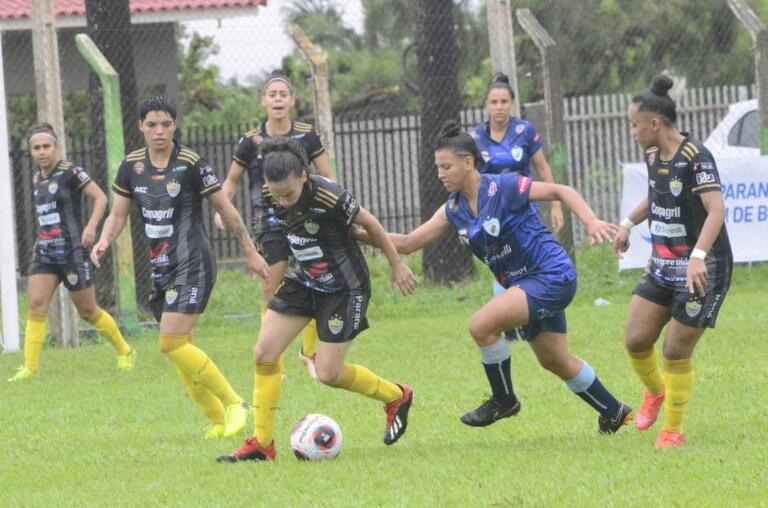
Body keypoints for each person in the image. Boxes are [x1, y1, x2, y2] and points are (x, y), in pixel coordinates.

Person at [381, 120, 633, 433]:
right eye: (438, 168)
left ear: (468, 163)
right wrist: (356, 230)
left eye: (446, 167)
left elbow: (561, 190)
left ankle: (504, 400)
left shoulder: (504, 187)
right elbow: (407, 243)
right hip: (524, 285)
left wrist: (591, 221)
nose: (440, 174)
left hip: (550, 274)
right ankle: (613, 411)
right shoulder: (454, 208)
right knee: (554, 360)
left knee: (481, 326)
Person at [217, 138, 416, 463]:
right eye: (276, 195)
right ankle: (262, 444)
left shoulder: (328, 194)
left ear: (303, 176)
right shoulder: (271, 191)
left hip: (344, 288)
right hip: (304, 281)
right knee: (264, 354)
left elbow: (369, 223)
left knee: (328, 373)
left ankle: (396, 396)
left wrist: (397, 264)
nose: (282, 201)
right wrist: (255, 252)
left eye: (288, 195)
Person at [91, 96, 270, 439]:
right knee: (181, 347)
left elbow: (226, 209)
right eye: (152, 125)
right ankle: (217, 420)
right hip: (162, 267)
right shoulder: (131, 166)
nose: (159, 131)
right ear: (141, 127)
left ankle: (235, 404)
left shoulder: (191, 163)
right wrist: (103, 240)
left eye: (166, 124)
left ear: (175, 126)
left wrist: (249, 251)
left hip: (193, 262)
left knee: (170, 341)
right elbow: (117, 214)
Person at [615, 75, 732, 449]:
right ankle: (655, 392)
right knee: (636, 340)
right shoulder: (653, 155)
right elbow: (657, 196)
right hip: (664, 266)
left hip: (703, 269)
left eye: (634, 124)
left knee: (675, 351)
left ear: (654, 123)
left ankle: (672, 431)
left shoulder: (696, 157)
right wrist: (627, 224)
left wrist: (697, 256)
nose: (632, 132)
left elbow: (716, 210)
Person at [215, 71, 333, 379]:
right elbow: (231, 181)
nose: (278, 99)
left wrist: (332, 207)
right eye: (272, 94)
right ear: (263, 101)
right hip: (268, 222)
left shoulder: (307, 135)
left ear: (292, 101)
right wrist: (221, 208)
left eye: (283, 94)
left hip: (306, 218)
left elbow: (327, 177)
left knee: (315, 278)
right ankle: (272, 361)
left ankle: (310, 353)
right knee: (271, 285)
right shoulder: (250, 141)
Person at [8, 123, 135, 383]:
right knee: (36, 305)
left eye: (46, 146)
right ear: (31, 151)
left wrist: (91, 226)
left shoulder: (71, 172)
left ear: (56, 148)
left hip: (72, 252)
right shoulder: (37, 178)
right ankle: (29, 369)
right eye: (36, 148)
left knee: (88, 311)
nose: (42, 151)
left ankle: (125, 350)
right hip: (45, 252)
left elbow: (100, 198)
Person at [468, 73, 564, 336]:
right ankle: (508, 323)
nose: (499, 107)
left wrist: (556, 205)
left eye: (504, 102)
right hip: (491, 215)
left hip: (523, 212)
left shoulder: (525, 131)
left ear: (512, 104)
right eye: (494, 102)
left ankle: (535, 315)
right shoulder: (474, 137)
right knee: (501, 262)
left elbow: (542, 167)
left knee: (529, 261)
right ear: (486, 105)